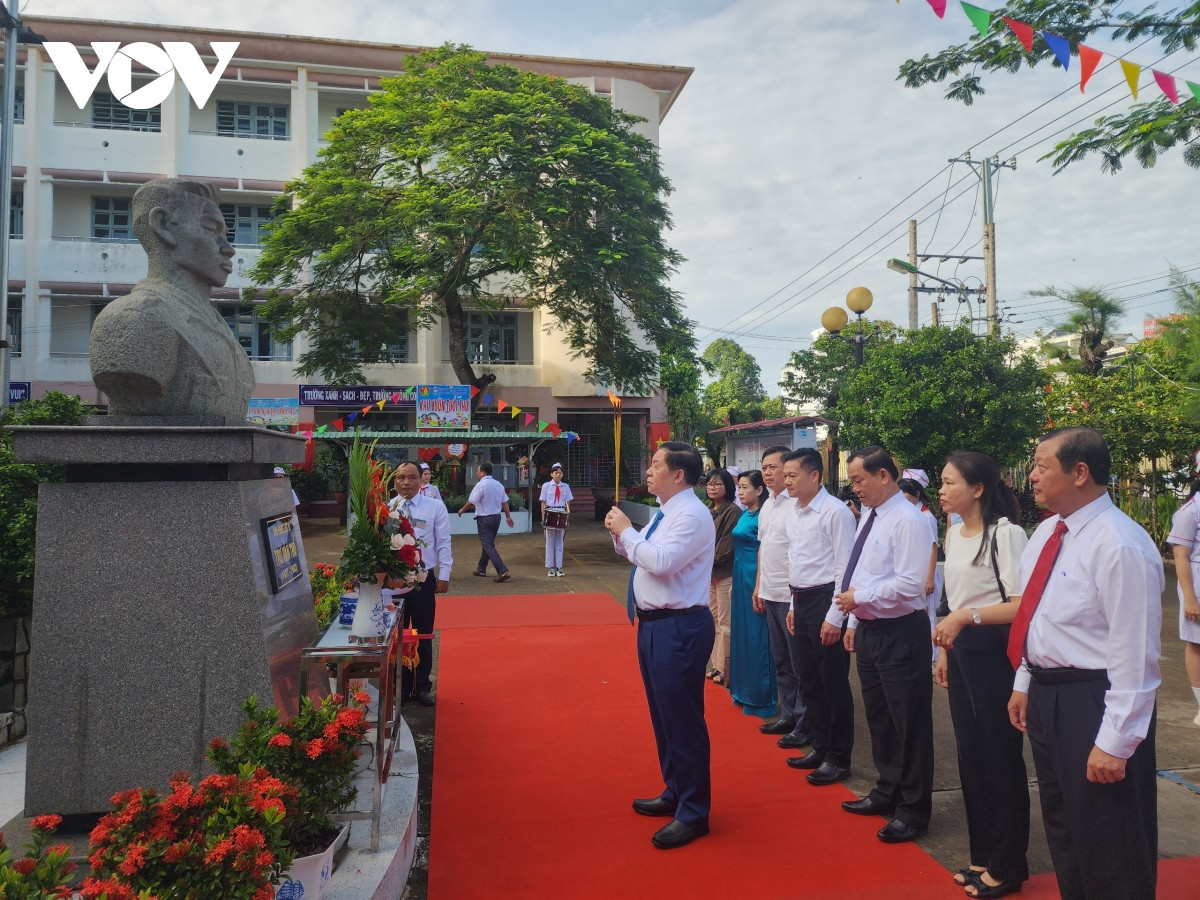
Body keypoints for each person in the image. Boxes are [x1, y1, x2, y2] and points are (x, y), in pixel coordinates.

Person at [1007, 427, 1162, 900]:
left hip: (1096, 699)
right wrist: (1024, 681)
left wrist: (1116, 741)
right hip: (1049, 694)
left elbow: (1134, 654)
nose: (1031, 476)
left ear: (1080, 472)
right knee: (1066, 827)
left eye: (1040, 465)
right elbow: (1038, 616)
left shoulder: (1119, 544)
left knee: (1110, 836)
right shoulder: (1049, 534)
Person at [604, 442, 716, 850]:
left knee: (682, 719)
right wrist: (622, 537)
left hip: (680, 626)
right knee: (663, 716)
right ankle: (676, 790)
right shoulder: (665, 513)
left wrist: (628, 533)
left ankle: (694, 811)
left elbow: (663, 562)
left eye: (655, 465)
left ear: (679, 475)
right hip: (654, 625)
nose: (648, 471)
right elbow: (642, 556)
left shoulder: (692, 515)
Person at [932, 451, 1030, 897]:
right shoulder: (953, 534)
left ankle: (1008, 866)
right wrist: (947, 651)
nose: (942, 490)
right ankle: (982, 855)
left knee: (1000, 757)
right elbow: (952, 602)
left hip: (995, 650)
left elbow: (1020, 604)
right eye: (941, 482)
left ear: (978, 489)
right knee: (970, 755)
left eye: (950, 483)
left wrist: (965, 618)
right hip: (963, 647)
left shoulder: (1006, 535)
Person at [835, 446, 935, 844]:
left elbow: (911, 585)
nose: (855, 487)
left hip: (900, 632)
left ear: (883, 476)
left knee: (908, 723)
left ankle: (913, 810)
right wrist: (855, 620)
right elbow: (863, 568)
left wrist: (859, 599)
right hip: (872, 629)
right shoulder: (872, 517)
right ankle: (887, 789)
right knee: (880, 717)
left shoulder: (908, 520)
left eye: (859, 480)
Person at [89, 178, 255, 419]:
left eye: (225, 235)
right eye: (210, 229)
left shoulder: (219, 326)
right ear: (163, 226)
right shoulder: (135, 318)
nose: (228, 248)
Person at [781, 448, 857, 786]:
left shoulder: (834, 512)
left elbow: (844, 568)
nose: (786, 482)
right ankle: (821, 745)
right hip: (801, 598)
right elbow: (797, 562)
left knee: (833, 684)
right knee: (809, 680)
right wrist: (794, 606)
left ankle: (839, 757)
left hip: (827, 600)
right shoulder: (795, 511)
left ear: (814, 475)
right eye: (785, 476)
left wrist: (835, 617)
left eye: (792, 475)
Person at [753, 445, 811, 748]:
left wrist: (792, 597)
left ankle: (805, 722)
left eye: (774, 467)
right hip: (770, 592)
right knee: (781, 661)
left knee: (800, 662)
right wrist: (759, 586)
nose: (768, 472)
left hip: (792, 598)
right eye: (765, 467)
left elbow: (799, 555)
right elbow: (764, 548)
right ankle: (788, 714)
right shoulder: (768, 505)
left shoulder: (797, 505)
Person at [390, 460, 452, 707]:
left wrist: (445, 573)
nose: (406, 483)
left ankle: (423, 685)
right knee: (398, 635)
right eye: (401, 478)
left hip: (424, 579)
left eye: (412, 477)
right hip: (394, 580)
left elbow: (444, 541)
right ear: (394, 480)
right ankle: (402, 686)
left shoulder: (435, 506)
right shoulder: (387, 507)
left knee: (423, 632)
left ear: (421, 480)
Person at [727, 470, 777, 718]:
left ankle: (762, 695)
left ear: (759, 490)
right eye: (739, 488)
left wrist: (761, 584)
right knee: (743, 635)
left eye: (745, 487)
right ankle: (743, 690)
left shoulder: (765, 514)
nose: (740, 492)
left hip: (756, 576)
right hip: (740, 575)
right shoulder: (745, 514)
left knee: (759, 637)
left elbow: (767, 550)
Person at [1166, 480, 1200, 729]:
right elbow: (1180, 556)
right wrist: (1190, 599)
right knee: (1197, 643)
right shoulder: (1190, 512)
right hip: (1197, 586)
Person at [898, 469, 942, 659]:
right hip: (912, 572)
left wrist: (930, 578)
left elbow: (933, 547)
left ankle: (932, 655)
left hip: (925, 574)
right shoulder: (907, 515)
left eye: (906, 497)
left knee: (928, 615)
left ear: (917, 494)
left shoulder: (927, 517)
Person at [706, 468, 741, 686]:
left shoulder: (732, 511)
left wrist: (699, 560)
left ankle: (725, 667)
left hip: (725, 572)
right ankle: (716, 664)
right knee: (713, 621)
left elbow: (725, 549)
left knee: (725, 622)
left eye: (718, 484)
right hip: (709, 574)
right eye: (710, 483)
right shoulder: (709, 510)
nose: (712, 487)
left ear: (728, 487)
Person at [458, 461, 515, 582]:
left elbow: (471, 501)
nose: (477, 473)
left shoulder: (481, 485)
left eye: (478, 471)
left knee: (488, 545)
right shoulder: (498, 484)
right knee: (487, 544)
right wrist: (508, 516)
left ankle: (502, 570)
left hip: (484, 519)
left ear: (483, 472)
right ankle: (481, 568)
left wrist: (462, 510)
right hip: (496, 518)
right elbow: (504, 502)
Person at [539, 463, 574, 577]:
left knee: (559, 543)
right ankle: (550, 568)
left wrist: (567, 518)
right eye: (556, 473)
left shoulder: (565, 487)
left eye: (560, 473)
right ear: (551, 474)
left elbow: (567, 503)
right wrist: (543, 518)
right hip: (550, 512)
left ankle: (559, 567)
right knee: (550, 542)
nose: (558, 475)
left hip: (561, 512)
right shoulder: (546, 486)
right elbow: (543, 502)